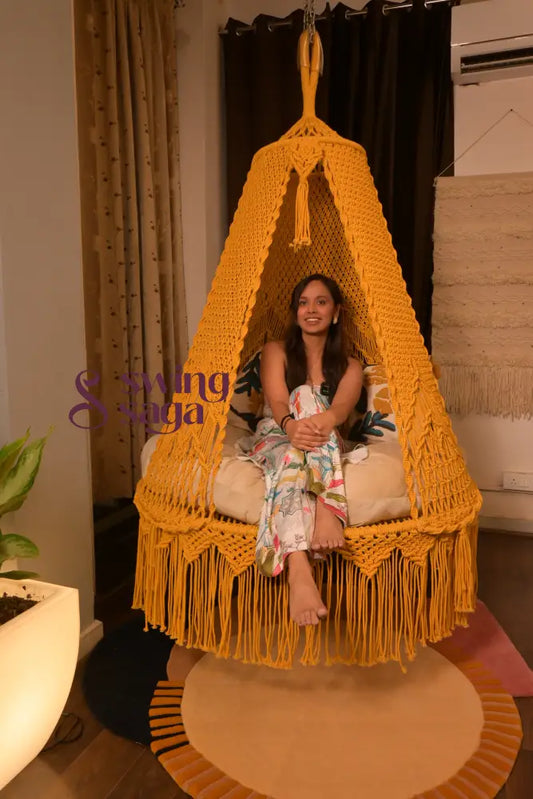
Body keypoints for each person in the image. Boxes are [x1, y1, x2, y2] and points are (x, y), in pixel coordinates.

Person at [239, 274, 363, 627]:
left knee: (308, 404)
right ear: (295, 312)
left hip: (326, 437)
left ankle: (299, 560)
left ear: (336, 312)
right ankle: (313, 541)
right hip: (279, 435)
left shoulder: (351, 366)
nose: (311, 310)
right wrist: (291, 426)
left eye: (321, 302)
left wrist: (312, 424)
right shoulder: (276, 350)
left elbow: (339, 412)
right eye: (303, 303)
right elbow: (278, 400)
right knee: (298, 414)